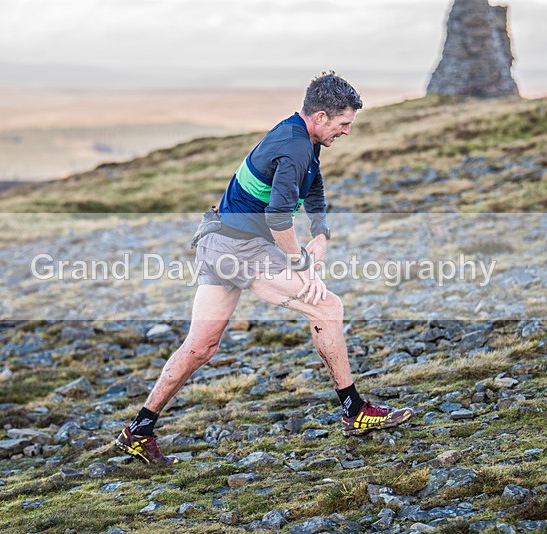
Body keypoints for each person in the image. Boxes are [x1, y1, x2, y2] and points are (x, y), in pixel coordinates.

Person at [115, 72, 414, 464]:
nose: (347, 132)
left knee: (201, 346)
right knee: (326, 307)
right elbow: (277, 219)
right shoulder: (294, 147)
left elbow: (315, 186)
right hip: (238, 247)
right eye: (343, 124)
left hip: (219, 239)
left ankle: (138, 430)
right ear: (321, 116)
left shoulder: (301, 136)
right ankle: (355, 411)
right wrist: (303, 265)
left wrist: (320, 230)